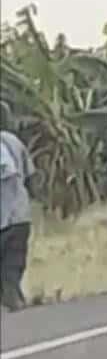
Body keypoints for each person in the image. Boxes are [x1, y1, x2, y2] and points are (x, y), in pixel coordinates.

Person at [1, 122, 34, 312]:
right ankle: (13, 294)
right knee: (14, 260)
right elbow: (30, 175)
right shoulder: (14, 141)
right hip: (20, 212)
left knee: (8, 261)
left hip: (5, 216)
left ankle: (11, 295)